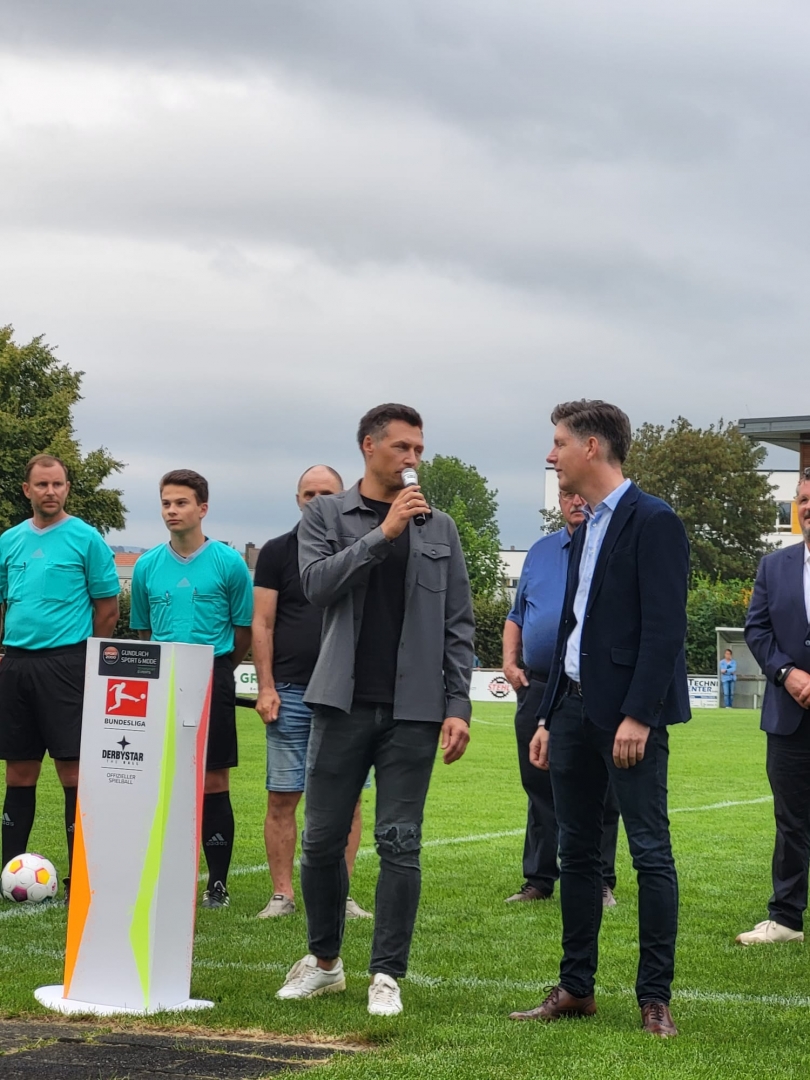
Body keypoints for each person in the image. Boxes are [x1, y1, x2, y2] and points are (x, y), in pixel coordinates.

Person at [275, 403, 474, 1017]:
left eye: (419, 449)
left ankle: (386, 974)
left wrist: (458, 703)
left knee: (400, 843)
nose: (413, 459)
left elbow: (458, 624)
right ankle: (325, 963)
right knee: (320, 841)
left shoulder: (440, 528)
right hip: (341, 702)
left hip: (415, 710)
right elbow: (316, 586)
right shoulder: (327, 515)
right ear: (369, 446)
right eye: (401, 447)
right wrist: (382, 534)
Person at [509, 399, 690, 1039]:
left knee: (649, 853)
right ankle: (576, 988)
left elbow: (665, 630)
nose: (551, 455)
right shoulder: (582, 529)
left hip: (627, 720)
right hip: (570, 714)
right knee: (577, 852)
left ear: (591, 447)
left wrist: (639, 714)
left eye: (559, 442)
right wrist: (547, 716)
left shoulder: (654, 521)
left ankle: (654, 998)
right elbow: (571, 631)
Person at [130, 469, 253, 910]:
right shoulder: (145, 566)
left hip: (212, 673)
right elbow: (143, 632)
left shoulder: (229, 563)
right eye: (166, 503)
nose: (172, 511)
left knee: (213, 778)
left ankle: (216, 883)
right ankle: (167, 874)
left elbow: (243, 630)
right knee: (164, 777)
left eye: (181, 503)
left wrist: (218, 670)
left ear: (202, 508)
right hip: (162, 677)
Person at [252, 464, 370, 920]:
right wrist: (266, 687)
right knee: (283, 797)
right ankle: (282, 895)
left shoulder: (361, 548)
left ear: (343, 499)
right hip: (290, 692)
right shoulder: (277, 551)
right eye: (309, 494)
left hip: (347, 697)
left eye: (327, 494)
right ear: (297, 499)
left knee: (349, 800)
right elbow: (262, 623)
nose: (317, 501)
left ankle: (339, 894)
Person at [0, 454, 120, 899]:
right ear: (27, 490)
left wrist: (88, 659)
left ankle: (79, 879)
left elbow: (107, 609)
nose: (50, 491)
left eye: (57, 484)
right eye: (41, 484)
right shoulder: (8, 541)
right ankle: (8, 873)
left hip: (68, 665)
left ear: (67, 488)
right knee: (19, 771)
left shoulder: (86, 539)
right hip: (16, 664)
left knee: (73, 772)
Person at [503, 487, 621, 908]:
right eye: (567, 495)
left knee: (600, 786)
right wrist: (509, 661)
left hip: (591, 686)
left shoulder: (613, 548)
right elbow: (517, 614)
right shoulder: (539, 552)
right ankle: (539, 878)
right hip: (536, 685)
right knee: (538, 783)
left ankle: (599, 880)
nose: (575, 502)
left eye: (581, 494)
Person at [736, 467, 810, 947]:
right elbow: (757, 630)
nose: (807, 507)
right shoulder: (773, 566)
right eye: (802, 500)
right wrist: (787, 673)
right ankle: (786, 919)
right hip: (788, 715)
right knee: (791, 820)